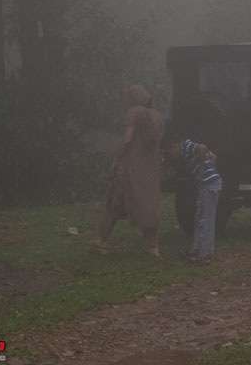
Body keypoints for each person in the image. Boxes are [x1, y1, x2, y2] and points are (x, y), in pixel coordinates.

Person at [93, 84, 165, 257]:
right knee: (149, 206)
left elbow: (127, 138)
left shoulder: (134, 112)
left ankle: (101, 241)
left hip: (130, 167)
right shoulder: (158, 116)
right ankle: (152, 247)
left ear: (133, 98)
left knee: (114, 201)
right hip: (150, 170)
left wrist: (117, 160)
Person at [166, 134, 222, 265]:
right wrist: (210, 168)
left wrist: (202, 172)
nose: (172, 156)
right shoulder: (188, 151)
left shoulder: (187, 146)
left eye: (171, 153)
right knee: (199, 218)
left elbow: (202, 148)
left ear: (174, 147)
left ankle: (206, 254)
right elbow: (213, 156)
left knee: (206, 220)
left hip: (209, 185)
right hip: (208, 184)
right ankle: (195, 249)